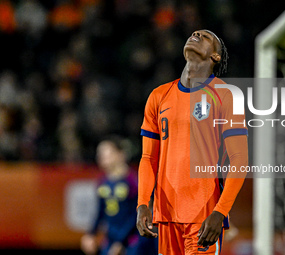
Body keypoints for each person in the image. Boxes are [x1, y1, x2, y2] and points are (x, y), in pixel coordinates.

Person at [136, 30, 248, 255]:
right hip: (166, 216)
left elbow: (240, 159)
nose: (196, 33)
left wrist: (220, 212)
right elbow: (149, 157)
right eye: (195, 33)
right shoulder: (159, 96)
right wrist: (142, 204)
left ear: (215, 56)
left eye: (206, 36)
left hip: (204, 216)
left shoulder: (226, 95)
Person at [81, 135, 157, 255]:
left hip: (133, 242)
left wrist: (122, 242)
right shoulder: (103, 183)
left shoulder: (134, 182)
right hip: (111, 241)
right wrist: (91, 234)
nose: (101, 157)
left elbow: (137, 215)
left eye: (106, 153)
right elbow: (100, 212)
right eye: (99, 153)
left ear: (120, 154)